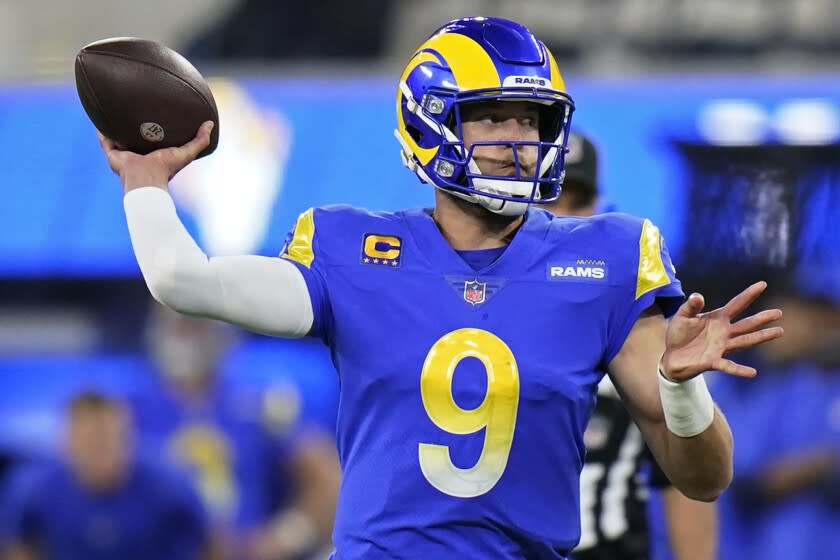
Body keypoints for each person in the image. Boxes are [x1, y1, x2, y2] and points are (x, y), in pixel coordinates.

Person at [98, 16, 783, 560]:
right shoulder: (353, 249)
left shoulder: (606, 255)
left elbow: (704, 478)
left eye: (531, 119)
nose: (518, 139)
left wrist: (680, 388)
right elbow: (184, 281)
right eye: (491, 116)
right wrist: (144, 180)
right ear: (430, 122)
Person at [545, 131, 717, 560]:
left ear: (599, 209)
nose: (562, 216)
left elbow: (693, 483)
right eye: (549, 198)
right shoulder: (476, 323)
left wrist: (680, 389)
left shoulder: (636, 328)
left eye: (576, 200)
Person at [134, 303, 340, 560]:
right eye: (180, 327)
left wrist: (288, 534)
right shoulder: (133, 411)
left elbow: (326, 476)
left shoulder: (255, 406)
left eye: (196, 326)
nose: (186, 337)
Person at [1, 391, 209, 560]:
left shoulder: (171, 486)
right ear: (65, 442)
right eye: (88, 441)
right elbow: (19, 548)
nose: (98, 450)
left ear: (128, 440)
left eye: (107, 439)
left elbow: (209, 542)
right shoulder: (32, 490)